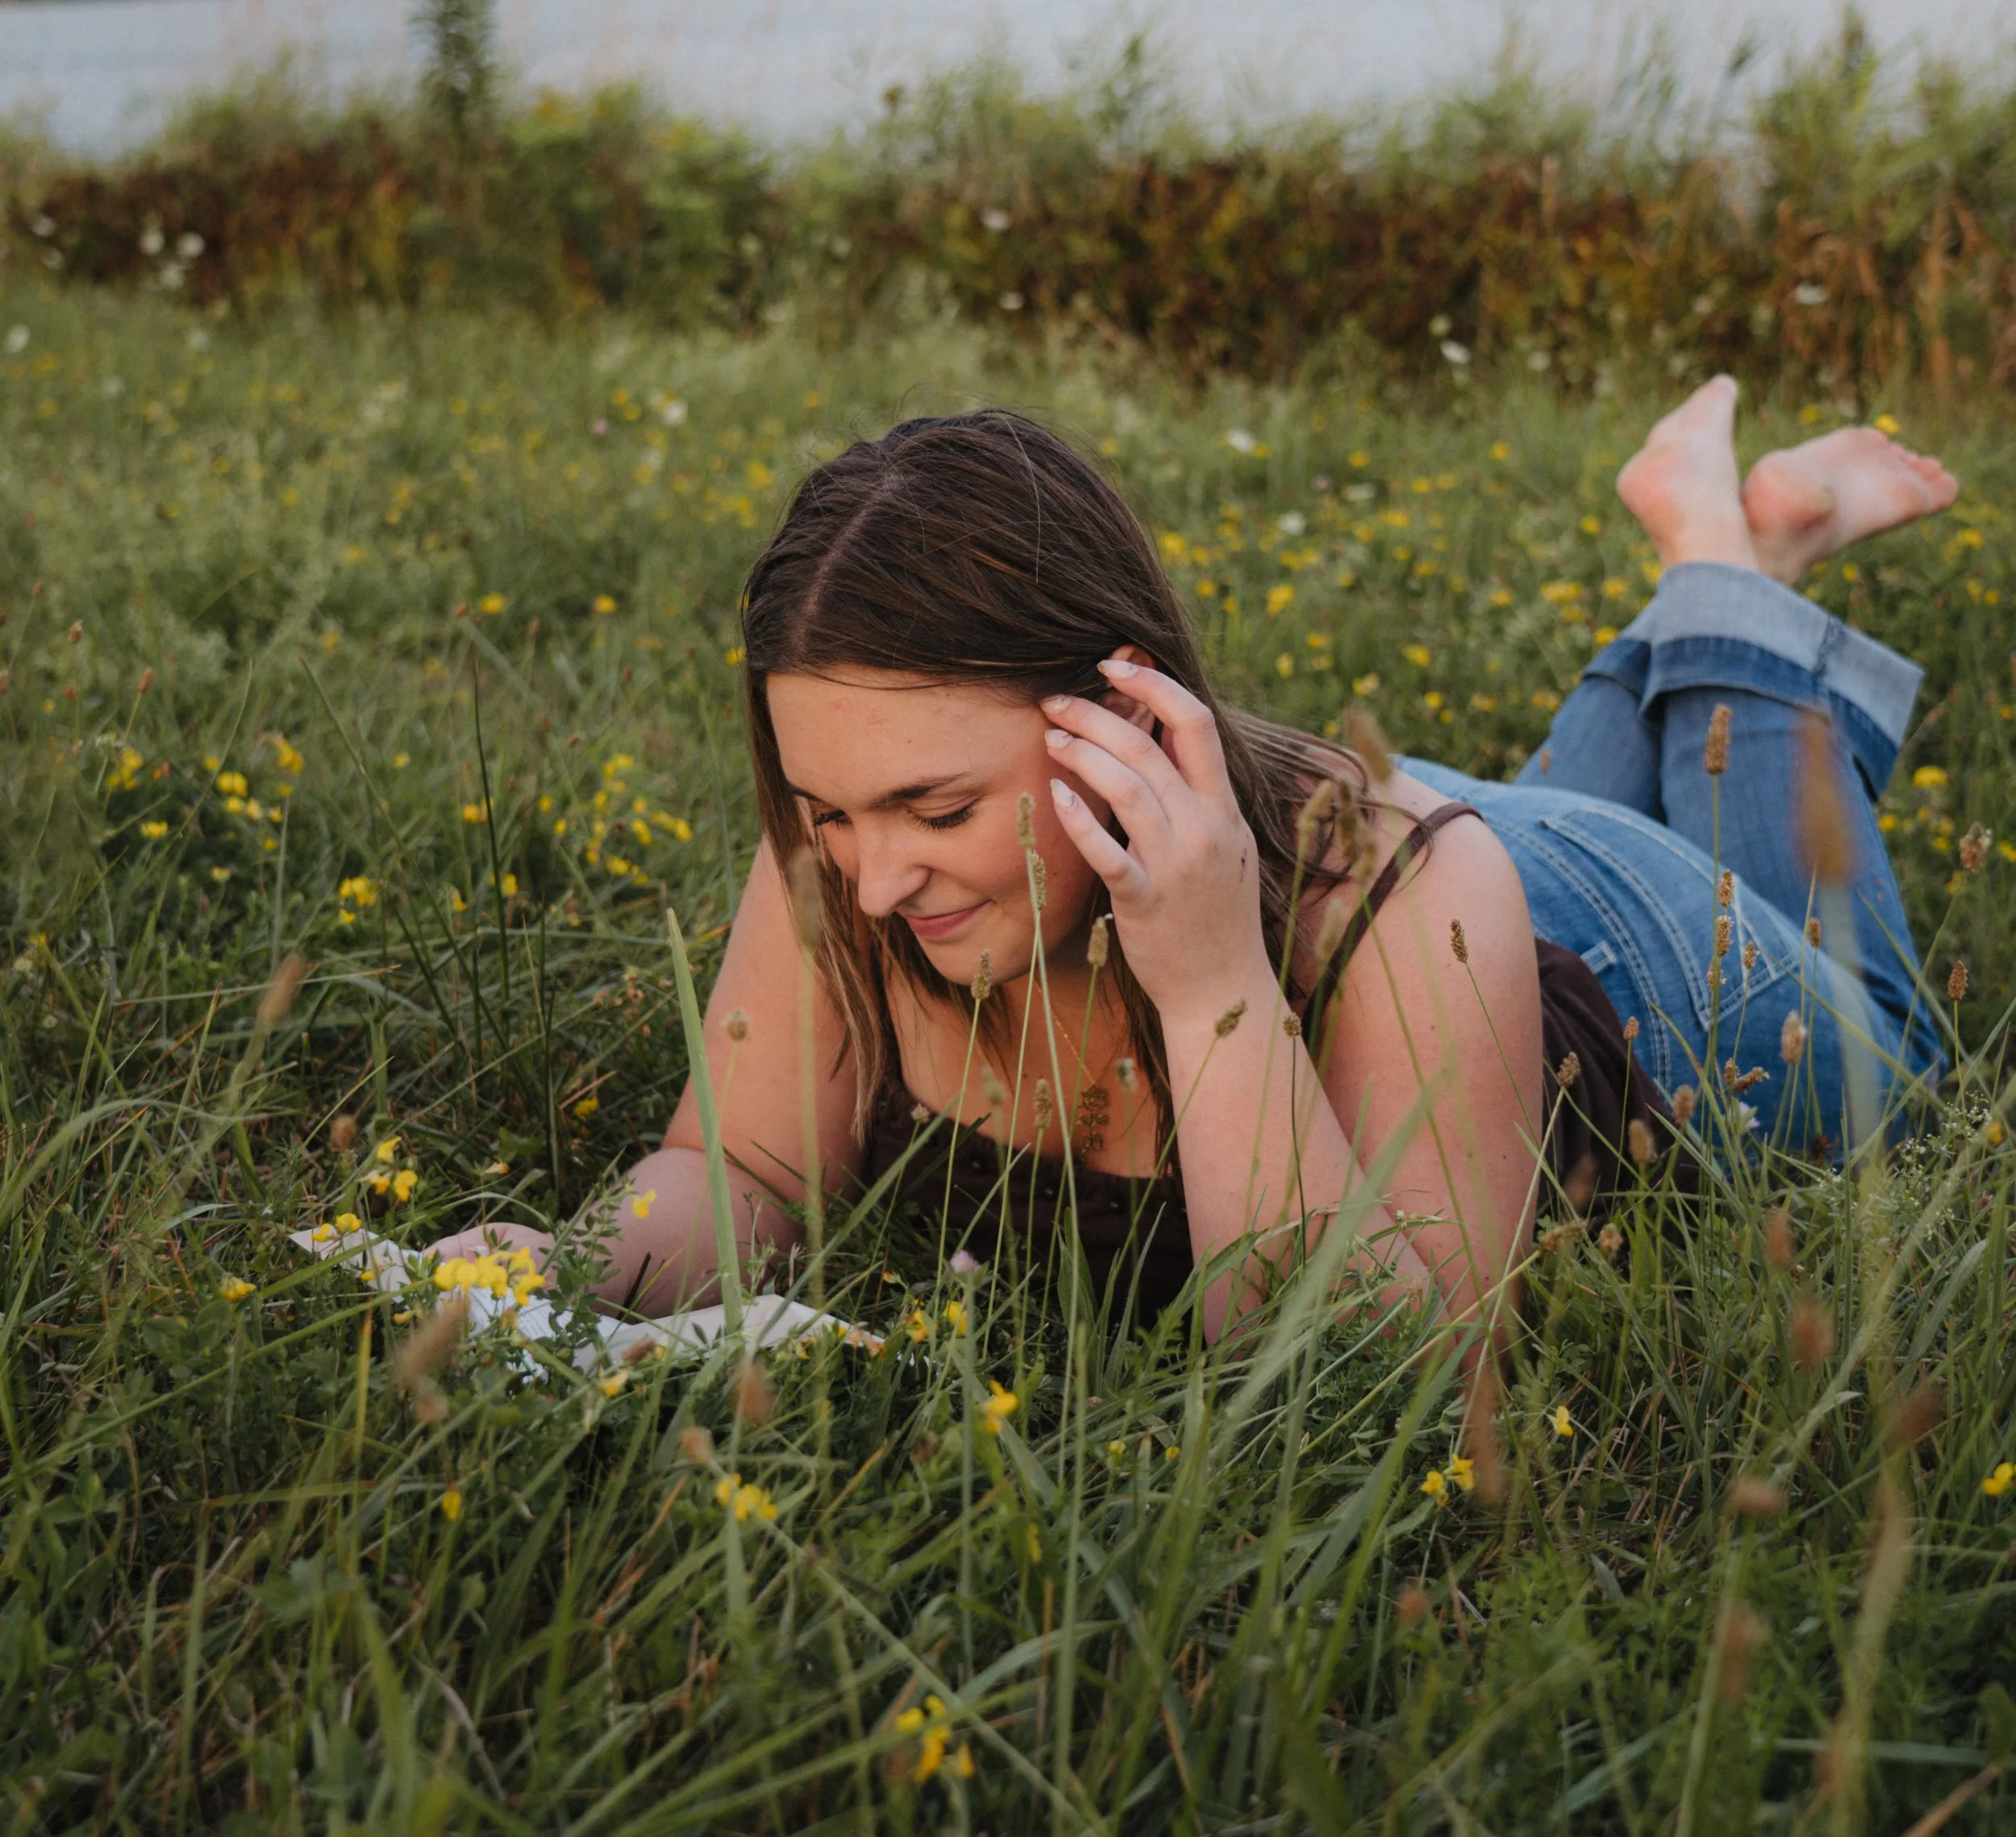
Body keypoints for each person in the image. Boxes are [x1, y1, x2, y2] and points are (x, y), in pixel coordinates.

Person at [435, 378, 1956, 1335]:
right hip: (1373, 845)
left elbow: (1362, 1362)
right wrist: (571, 1262)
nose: (872, 877)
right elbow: (746, 1164)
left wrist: (1216, 979)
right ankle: (1724, 551)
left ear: (1123, 718)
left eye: (934, 810)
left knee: (1896, 1043)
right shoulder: (852, 851)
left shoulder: (1404, 893)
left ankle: (1720, 555)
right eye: (828, 813)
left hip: (1578, 935)